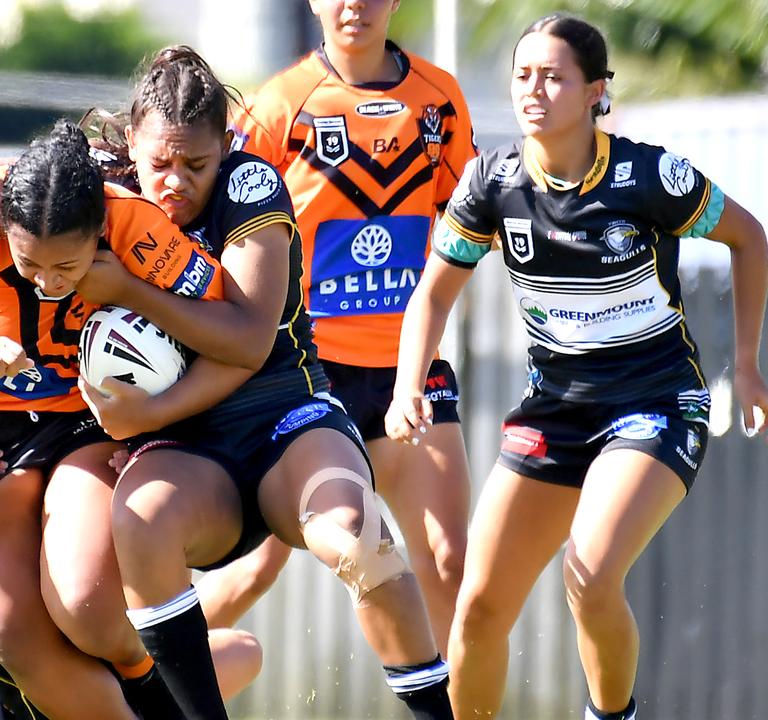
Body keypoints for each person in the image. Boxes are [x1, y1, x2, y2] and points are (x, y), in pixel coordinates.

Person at [385, 14, 768, 720]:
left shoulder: (650, 175)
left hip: (655, 405)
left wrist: (744, 366)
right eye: (523, 74)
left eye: (554, 76)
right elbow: (432, 296)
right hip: (555, 412)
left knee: (588, 573)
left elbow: (750, 237)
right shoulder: (491, 184)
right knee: (476, 606)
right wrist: (408, 383)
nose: (534, 90)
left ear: (595, 91)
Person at [73, 45, 451, 720]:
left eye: (197, 163)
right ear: (132, 141)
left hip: (286, 423)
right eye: (159, 162)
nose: (176, 181)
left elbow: (249, 340)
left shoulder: (251, 186)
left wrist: (130, 294)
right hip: (193, 454)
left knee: (358, 538)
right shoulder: (100, 193)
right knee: (141, 521)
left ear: (226, 144)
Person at [0, 119, 257, 719]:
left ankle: (152, 672)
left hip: (87, 422)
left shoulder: (133, 222)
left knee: (86, 603)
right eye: (29, 264)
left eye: (66, 266)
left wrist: (158, 418)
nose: (46, 282)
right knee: (15, 633)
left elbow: (232, 336)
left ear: (99, 229)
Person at [229, 0, 477, 651]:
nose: (354, 6)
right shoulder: (278, 105)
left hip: (410, 374)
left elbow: (465, 225)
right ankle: (136, 680)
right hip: (309, 379)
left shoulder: (440, 99)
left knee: (451, 563)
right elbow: (220, 226)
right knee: (254, 572)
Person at [0, 434, 264, 711]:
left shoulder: (89, 533)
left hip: (133, 671)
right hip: (100, 693)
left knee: (245, 648)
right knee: (242, 648)